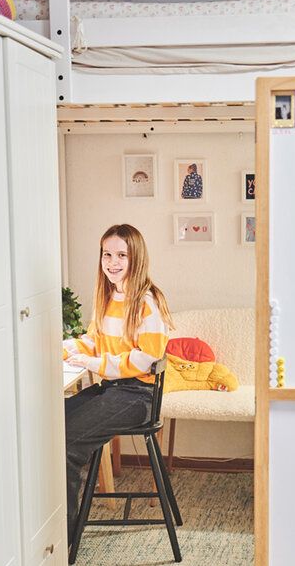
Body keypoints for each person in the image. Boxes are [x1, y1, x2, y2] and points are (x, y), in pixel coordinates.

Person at [62, 224, 174, 539]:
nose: (113, 262)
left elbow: (146, 358)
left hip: (138, 396)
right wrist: (64, 350)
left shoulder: (145, 302)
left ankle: (64, 535)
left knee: (66, 441)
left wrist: (95, 364)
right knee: (52, 422)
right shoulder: (110, 296)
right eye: (107, 254)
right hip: (114, 388)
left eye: (121, 255)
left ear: (136, 258)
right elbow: (95, 341)